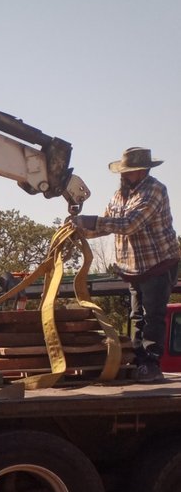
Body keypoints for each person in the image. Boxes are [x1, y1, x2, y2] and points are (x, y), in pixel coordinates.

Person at [74, 147, 178, 383]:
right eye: (124, 171)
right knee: (137, 316)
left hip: (158, 263)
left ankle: (151, 364)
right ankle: (139, 360)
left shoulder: (155, 190)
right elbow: (106, 224)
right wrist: (79, 229)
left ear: (143, 171)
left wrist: (90, 222)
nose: (125, 175)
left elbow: (130, 224)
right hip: (133, 268)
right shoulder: (119, 196)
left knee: (153, 315)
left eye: (129, 171)